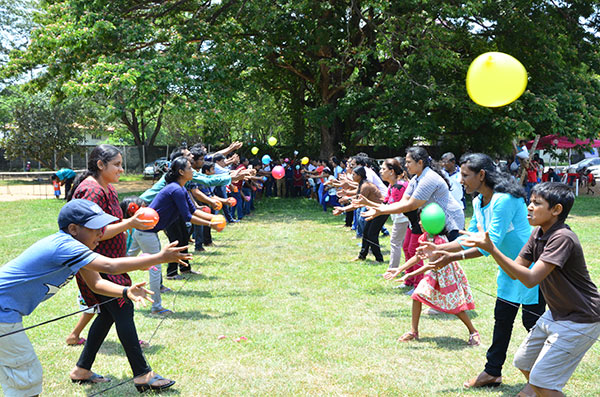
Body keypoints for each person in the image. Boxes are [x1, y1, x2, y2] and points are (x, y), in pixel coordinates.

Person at [0, 199, 189, 396]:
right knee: (26, 374)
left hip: (5, 314)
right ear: (73, 229)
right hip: (3, 313)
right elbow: (110, 266)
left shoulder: (75, 250)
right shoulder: (66, 246)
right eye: (94, 227)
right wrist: (159, 257)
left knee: (21, 373)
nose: (101, 232)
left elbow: (96, 284)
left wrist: (125, 291)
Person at [418, 153, 544, 391]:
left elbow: (489, 245)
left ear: (482, 175)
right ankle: (492, 372)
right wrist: (440, 248)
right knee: (502, 320)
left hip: (531, 269)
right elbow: (471, 237)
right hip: (508, 268)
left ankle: (540, 378)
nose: (461, 180)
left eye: (465, 175)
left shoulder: (504, 200)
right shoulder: (478, 201)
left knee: (533, 325)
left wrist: (450, 257)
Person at [461, 182, 600, 397]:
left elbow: (531, 279)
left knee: (542, 381)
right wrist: (484, 250)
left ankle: (542, 390)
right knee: (524, 362)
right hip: (555, 313)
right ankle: (537, 391)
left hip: (580, 318)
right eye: (530, 201)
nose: (529, 206)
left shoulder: (562, 237)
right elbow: (517, 270)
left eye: (537, 203)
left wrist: (492, 249)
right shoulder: (538, 234)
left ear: (556, 210)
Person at [67, 144, 176, 391]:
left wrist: (130, 217)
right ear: (100, 165)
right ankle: (142, 374)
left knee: (107, 314)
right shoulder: (90, 191)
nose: (121, 169)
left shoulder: (108, 189)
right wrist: (130, 223)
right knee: (124, 309)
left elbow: (113, 222)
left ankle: (81, 369)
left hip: (112, 263)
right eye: (116, 164)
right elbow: (94, 233)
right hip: (99, 264)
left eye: (120, 163)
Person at [128, 157, 220, 316]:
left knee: (125, 260)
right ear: (181, 172)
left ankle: (103, 279)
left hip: (141, 230)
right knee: (155, 270)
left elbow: (193, 211)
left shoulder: (180, 188)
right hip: (147, 233)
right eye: (190, 168)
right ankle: (156, 308)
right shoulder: (176, 189)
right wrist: (211, 224)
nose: (193, 171)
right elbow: (187, 217)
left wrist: (212, 219)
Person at [384, 229, 479, 346]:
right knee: (417, 295)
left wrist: (410, 274)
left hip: (446, 276)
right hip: (434, 273)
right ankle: (414, 332)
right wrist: (400, 269)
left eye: (422, 221)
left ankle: (473, 331)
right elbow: (418, 256)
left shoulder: (440, 240)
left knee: (454, 307)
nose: (419, 223)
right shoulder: (426, 237)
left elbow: (432, 264)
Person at [361, 146, 464, 241]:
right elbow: (403, 201)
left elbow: (411, 205)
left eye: (409, 162)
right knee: (437, 255)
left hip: (450, 221)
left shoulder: (428, 178)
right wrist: (379, 208)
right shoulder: (416, 179)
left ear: (420, 162)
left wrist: (381, 211)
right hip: (436, 220)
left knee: (446, 256)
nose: (406, 165)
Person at [333, 166, 388, 262]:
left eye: (354, 174)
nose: (352, 176)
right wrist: (347, 196)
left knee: (372, 235)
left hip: (380, 211)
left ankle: (379, 259)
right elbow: (357, 196)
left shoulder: (365, 186)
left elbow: (358, 203)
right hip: (373, 210)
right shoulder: (362, 184)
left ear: (359, 175)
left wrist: (343, 209)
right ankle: (362, 256)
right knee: (366, 233)